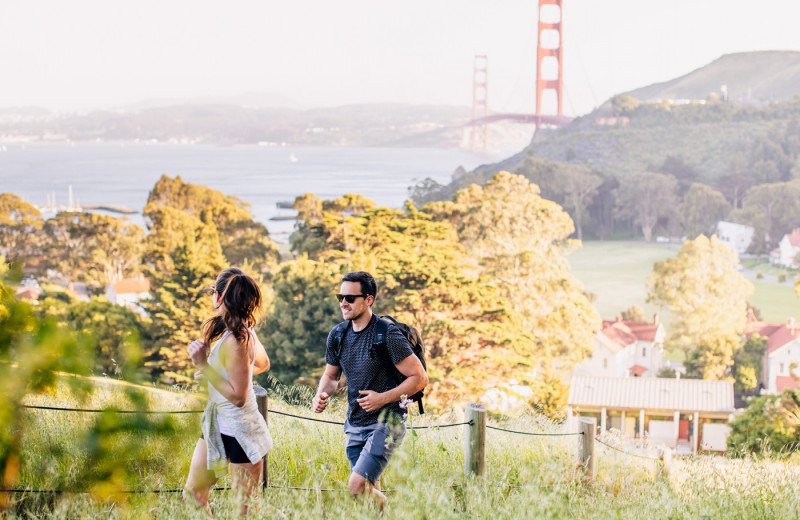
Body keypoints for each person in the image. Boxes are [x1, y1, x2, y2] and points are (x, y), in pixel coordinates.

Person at [312, 271, 427, 510]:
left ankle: (392, 510)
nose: (343, 302)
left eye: (350, 298)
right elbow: (331, 375)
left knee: (357, 486)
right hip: (355, 424)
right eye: (340, 297)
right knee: (368, 493)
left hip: (388, 422)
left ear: (369, 300)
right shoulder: (338, 335)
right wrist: (321, 394)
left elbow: (419, 378)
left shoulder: (387, 334)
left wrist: (382, 399)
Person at [183, 267, 272, 517]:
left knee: (243, 511)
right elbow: (261, 365)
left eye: (214, 291)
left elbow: (238, 397)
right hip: (217, 426)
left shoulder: (238, 339)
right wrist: (217, 375)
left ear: (219, 296)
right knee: (193, 493)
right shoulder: (240, 332)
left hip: (242, 431)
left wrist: (205, 367)